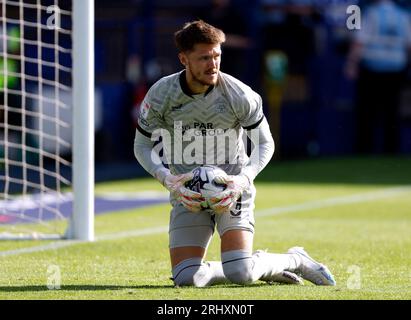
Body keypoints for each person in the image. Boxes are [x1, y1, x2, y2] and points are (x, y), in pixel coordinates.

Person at [134, 20, 336, 287]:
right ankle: (250, 265)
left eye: (217, 55)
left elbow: (265, 144)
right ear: (184, 59)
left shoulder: (239, 93)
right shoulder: (161, 94)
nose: (213, 64)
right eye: (204, 57)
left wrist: (244, 178)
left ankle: (294, 259)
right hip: (188, 193)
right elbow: (142, 145)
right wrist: (165, 177)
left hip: (232, 191)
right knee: (186, 278)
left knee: (241, 275)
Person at [345, 0, 411, 154]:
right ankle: (391, 151)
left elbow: (359, 42)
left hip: (372, 68)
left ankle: (364, 150)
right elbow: (409, 46)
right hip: (396, 68)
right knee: (392, 112)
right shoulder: (403, 16)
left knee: (367, 112)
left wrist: (351, 64)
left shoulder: (372, 14)